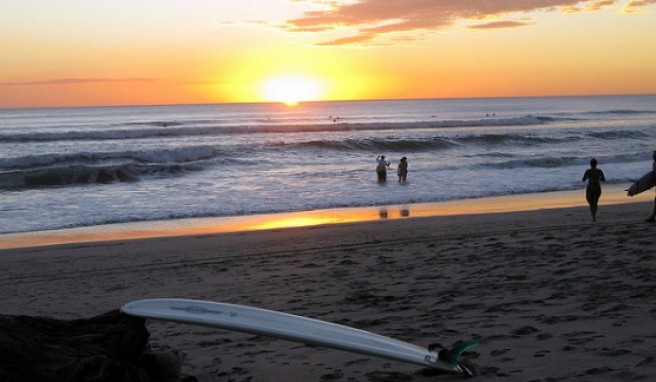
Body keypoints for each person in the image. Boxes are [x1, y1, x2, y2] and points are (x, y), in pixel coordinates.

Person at [646, 151, 656, 223]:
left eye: (655, 155)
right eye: (653, 155)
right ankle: (653, 217)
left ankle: (653, 217)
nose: (653, 156)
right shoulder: (654, 163)